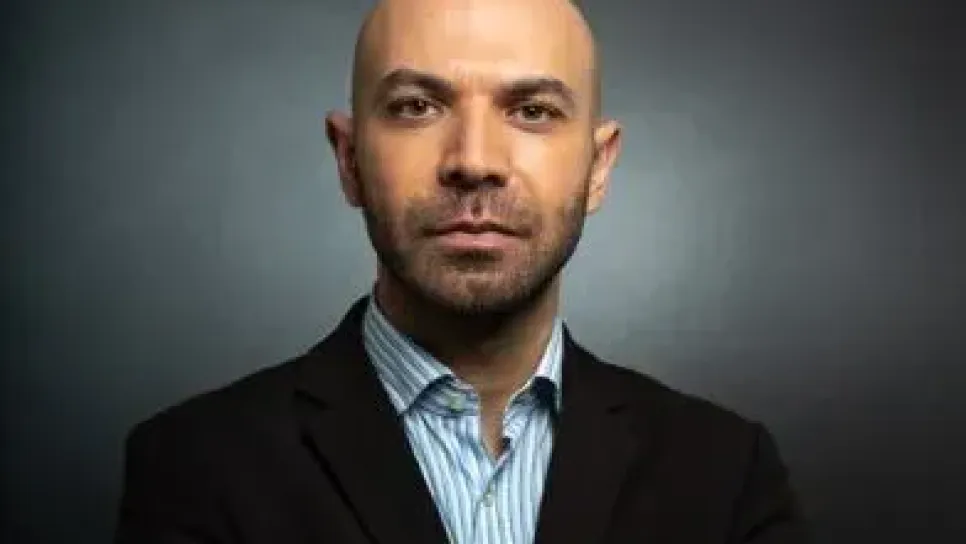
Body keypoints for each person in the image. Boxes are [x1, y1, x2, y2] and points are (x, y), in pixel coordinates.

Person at [114, 0, 810, 542]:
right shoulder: (196, 467)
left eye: (532, 111)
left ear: (598, 168)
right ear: (349, 159)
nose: (474, 160)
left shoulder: (726, 473)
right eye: (417, 107)